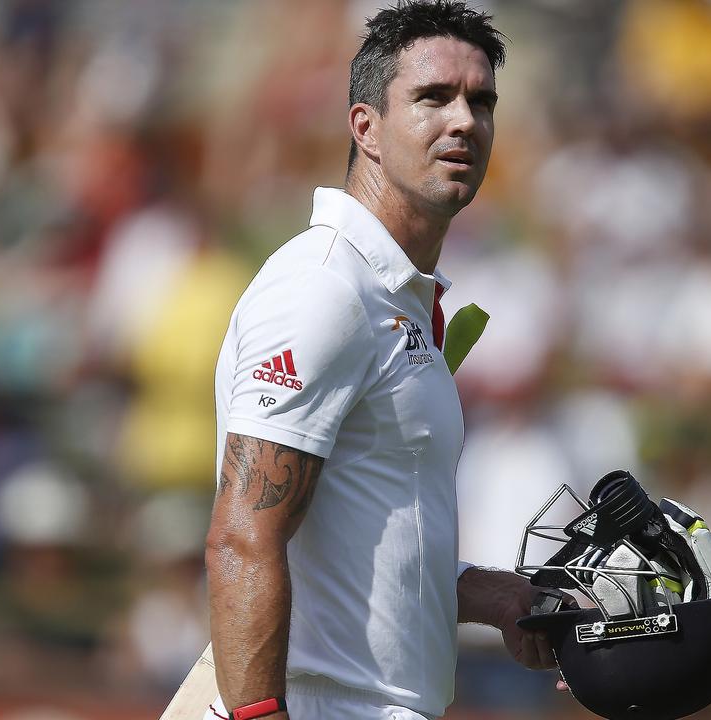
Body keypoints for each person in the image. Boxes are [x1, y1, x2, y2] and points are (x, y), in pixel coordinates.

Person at [204, 2, 558, 719]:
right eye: (432, 98)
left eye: (480, 101)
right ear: (365, 126)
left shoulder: (389, 295)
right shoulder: (325, 288)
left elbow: (360, 544)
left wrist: (491, 595)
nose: (463, 121)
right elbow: (242, 537)